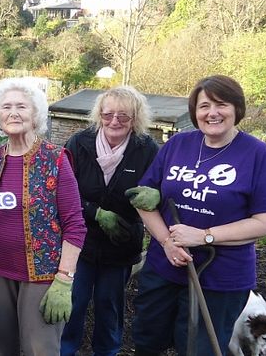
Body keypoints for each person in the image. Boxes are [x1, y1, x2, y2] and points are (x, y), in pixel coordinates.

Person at [128, 75, 266, 356]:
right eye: (204, 106)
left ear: (236, 109)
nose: (212, 113)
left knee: (198, 348)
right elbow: (144, 198)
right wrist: (167, 242)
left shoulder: (257, 154)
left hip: (221, 276)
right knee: (147, 340)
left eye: (221, 104)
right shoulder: (178, 145)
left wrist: (204, 236)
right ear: (195, 112)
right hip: (164, 265)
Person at [0, 78, 86, 356]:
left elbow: (75, 225)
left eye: (21, 106)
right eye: (6, 107)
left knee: (41, 350)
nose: (13, 113)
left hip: (43, 276)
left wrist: (64, 279)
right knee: (2, 348)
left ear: (36, 115)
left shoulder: (55, 159)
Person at [60, 86, 159, 356]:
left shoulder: (146, 149)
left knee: (109, 304)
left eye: (124, 117)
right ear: (99, 115)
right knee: (74, 301)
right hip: (79, 241)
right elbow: (61, 192)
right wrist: (95, 213)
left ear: (135, 118)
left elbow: (157, 189)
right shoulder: (79, 144)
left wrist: (157, 196)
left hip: (121, 242)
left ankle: (107, 351)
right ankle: (65, 350)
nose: (114, 121)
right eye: (108, 114)